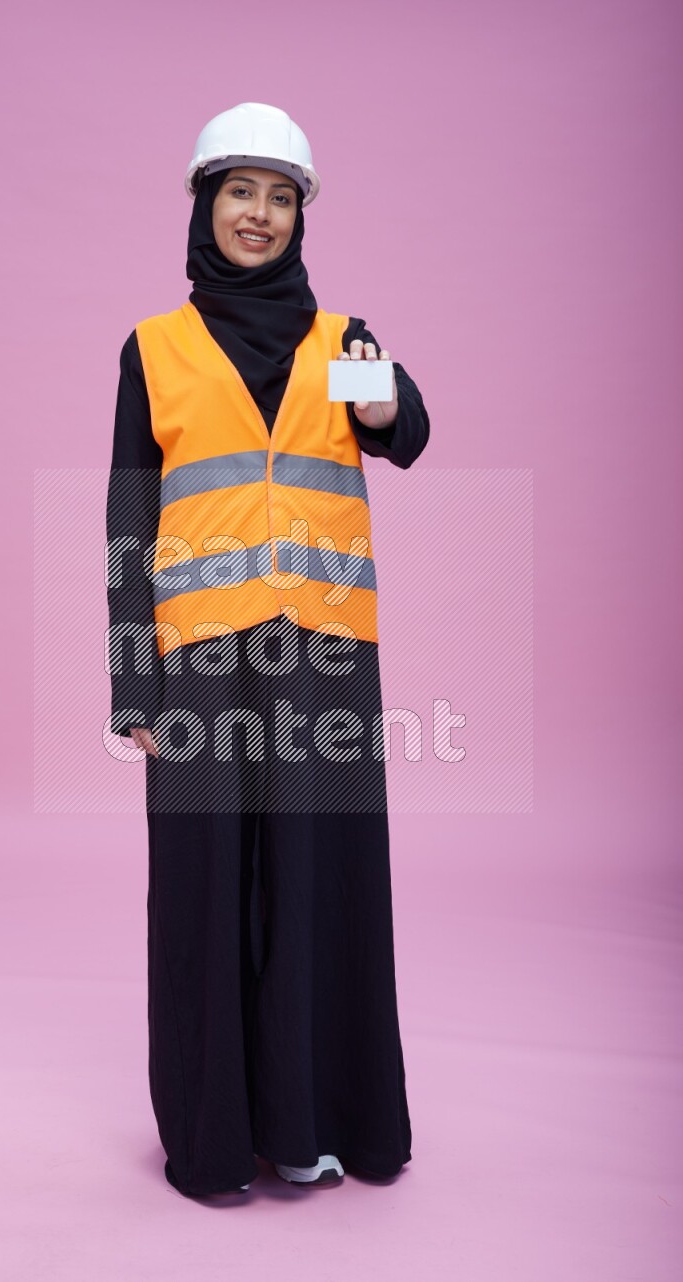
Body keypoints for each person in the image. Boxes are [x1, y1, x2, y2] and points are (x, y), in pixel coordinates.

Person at [106, 102, 431, 1198]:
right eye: (240, 191)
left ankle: (316, 1125)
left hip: (322, 657)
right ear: (206, 202)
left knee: (317, 883)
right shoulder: (155, 349)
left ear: (301, 215)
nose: (259, 214)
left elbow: (406, 435)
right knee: (202, 891)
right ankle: (212, 1141)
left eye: (280, 197)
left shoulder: (341, 342)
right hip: (198, 663)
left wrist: (382, 403)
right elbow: (129, 523)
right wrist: (132, 685)